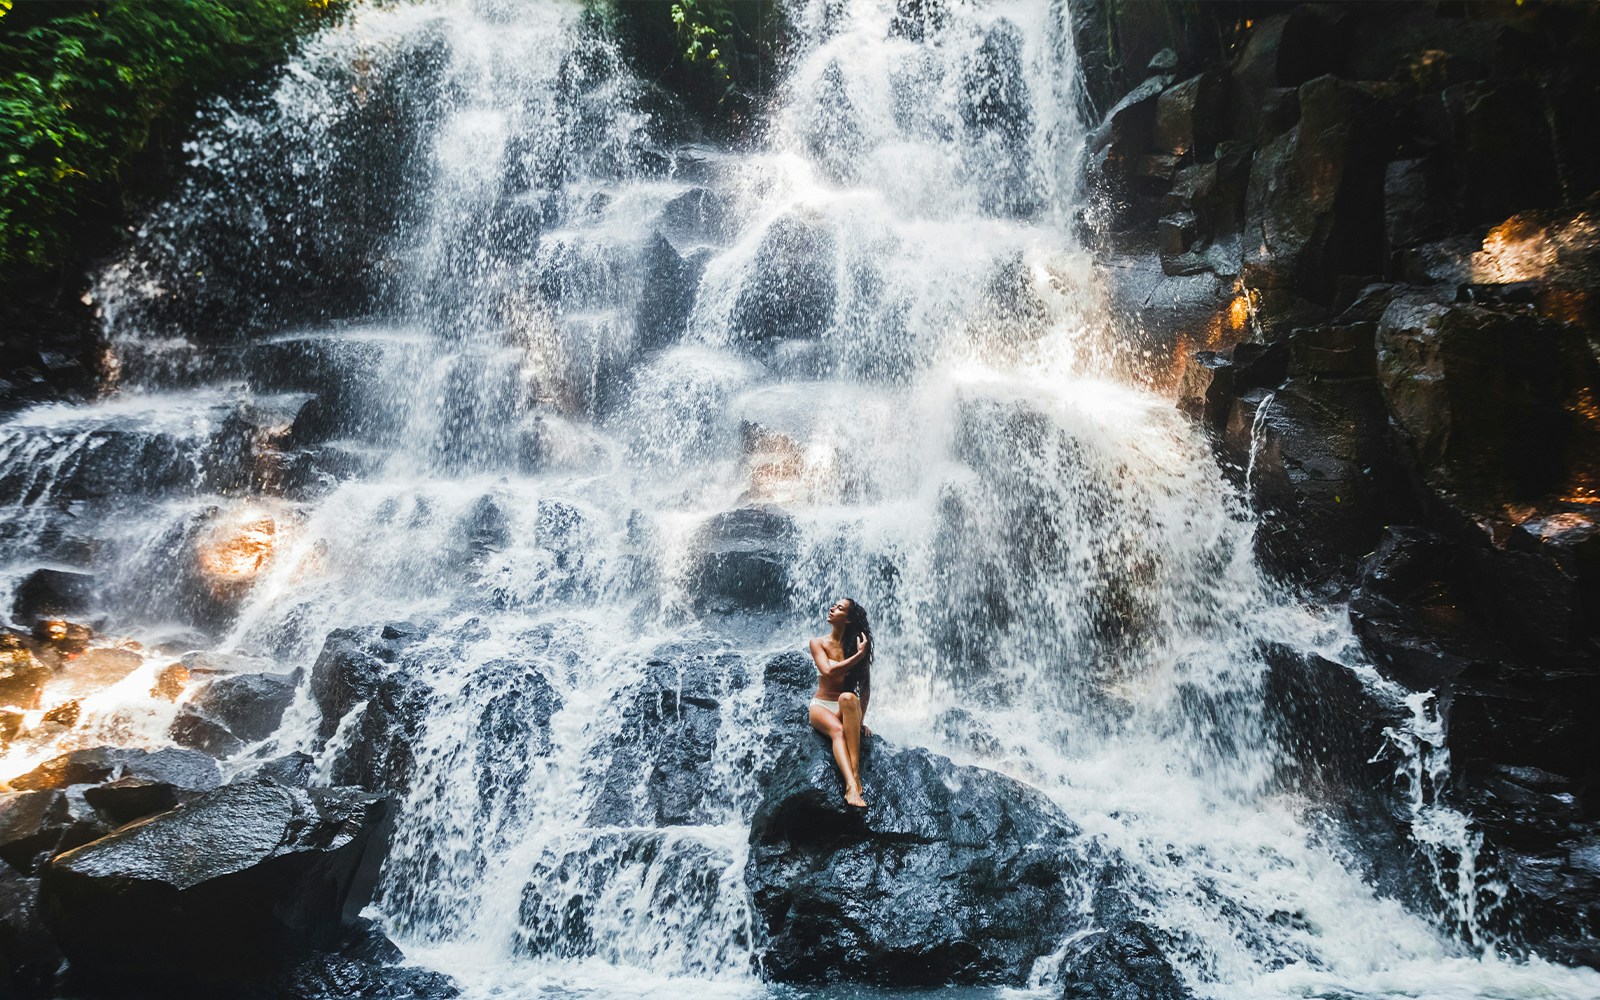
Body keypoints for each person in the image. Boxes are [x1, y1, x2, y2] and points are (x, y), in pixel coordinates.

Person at [808, 597, 873, 808]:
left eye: (839, 608)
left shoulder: (853, 646)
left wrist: (859, 721)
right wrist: (859, 656)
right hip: (821, 706)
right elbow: (827, 671)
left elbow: (864, 688)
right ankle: (851, 787)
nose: (832, 608)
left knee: (848, 697)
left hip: (844, 707)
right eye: (834, 605)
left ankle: (855, 774)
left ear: (847, 620)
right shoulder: (817, 643)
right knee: (838, 730)